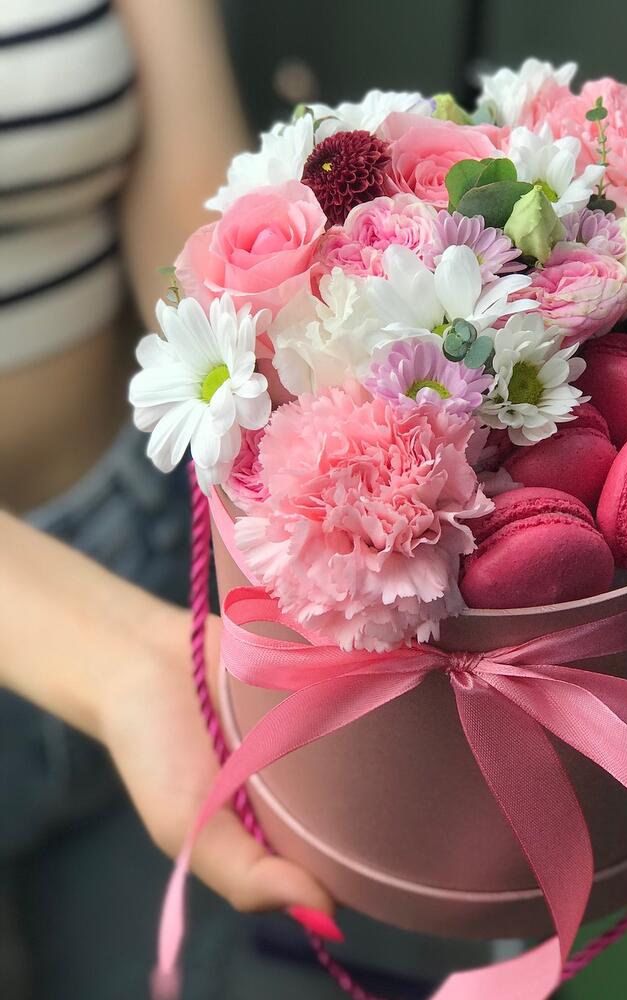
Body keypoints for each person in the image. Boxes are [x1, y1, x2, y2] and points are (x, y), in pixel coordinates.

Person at [0, 2, 335, 996]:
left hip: (144, 546)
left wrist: (347, 468)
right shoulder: (135, 660)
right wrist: (123, 658)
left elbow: (194, 240)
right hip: (128, 646)